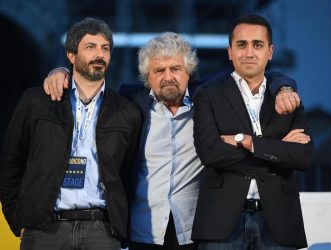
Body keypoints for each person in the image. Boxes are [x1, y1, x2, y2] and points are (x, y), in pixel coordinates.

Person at [42, 32, 301, 250]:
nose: (168, 77)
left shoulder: (209, 97)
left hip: (194, 230)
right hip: (142, 230)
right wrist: (61, 71)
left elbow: (258, 74)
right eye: (159, 70)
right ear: (147, 77)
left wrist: (285, 88)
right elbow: (88, 83)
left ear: (188, 71)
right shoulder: (131, 101)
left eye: (176, 68)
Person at [0, 17, 142, 250]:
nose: (100, 54)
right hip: (44, 229)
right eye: (90, 47)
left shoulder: (127, 112)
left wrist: (118, 226)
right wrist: (18, 220)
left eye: (105, 48)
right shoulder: (37, 102)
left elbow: (127, 174)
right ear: (71, 55)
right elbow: (10, 162)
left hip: (101, 230)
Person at [190, 14, 313, 249]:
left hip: (279, 222)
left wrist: (248, 142)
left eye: (257, 45)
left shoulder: (287, 97)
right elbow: (210, 153)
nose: (249, 52)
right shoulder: (208, 93)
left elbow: (303, 156)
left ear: (270, 51)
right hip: (220, 221)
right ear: (229, 52)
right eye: (241, 45)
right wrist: (278, 152)